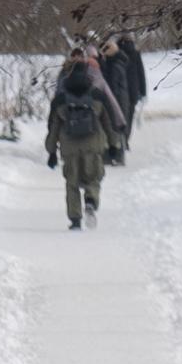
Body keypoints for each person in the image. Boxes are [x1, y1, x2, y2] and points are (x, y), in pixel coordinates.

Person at [45, 48, 127, 229]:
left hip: (69, 147)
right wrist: (114, 145)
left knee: (72, 183)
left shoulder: (60, 99)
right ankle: (90, 200)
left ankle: (75, 220)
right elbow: (107, 123)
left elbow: (54, 127)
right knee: (93, 178)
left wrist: (51, 151)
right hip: (93, 144)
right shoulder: (96, 96)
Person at [98, 38, 137, 164]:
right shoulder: (120, 61)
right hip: (121, 99)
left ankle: (116, 155)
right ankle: (117, 155)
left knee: (115, 126)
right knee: (118, 127)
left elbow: (112, 86)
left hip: (117, 101)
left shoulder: (114, 65)